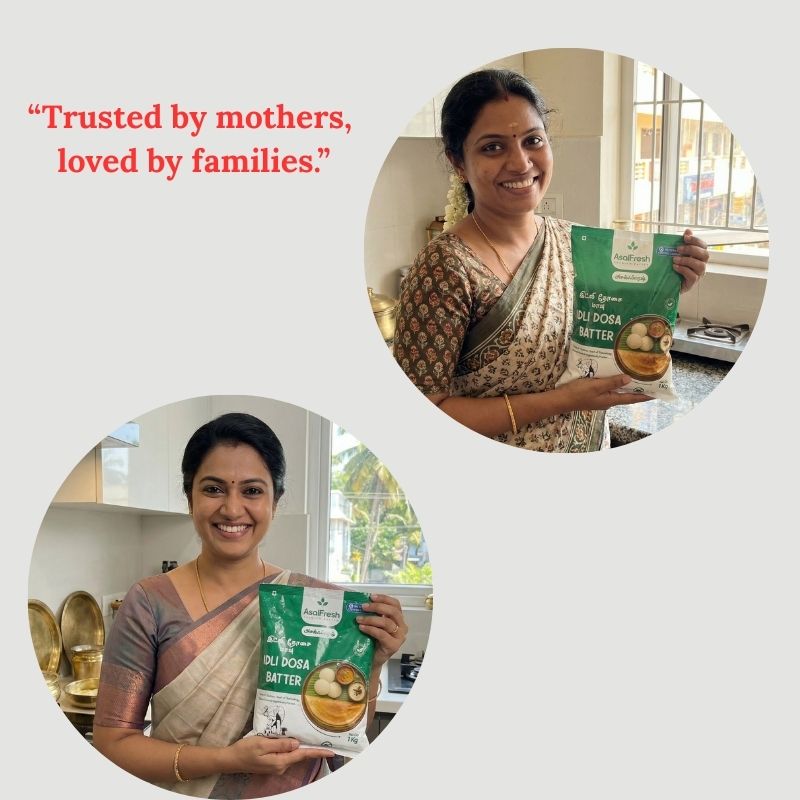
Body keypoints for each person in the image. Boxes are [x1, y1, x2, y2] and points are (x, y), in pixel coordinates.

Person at [392, 68, 709, 452]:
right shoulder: (444, 268)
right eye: (493, 147)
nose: (521, 163)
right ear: (458, 162)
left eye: (533, 140)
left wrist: (667, 286)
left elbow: (610, 329)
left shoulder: (573, 241)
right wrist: (566, 400)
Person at [93, 412, 407, 797]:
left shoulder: (316, 602)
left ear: (276, 501)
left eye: (253, 491)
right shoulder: (149, 603)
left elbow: (340, 732)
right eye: (213, 489)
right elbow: (113, 743)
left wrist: (370, 666)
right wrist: (228, 760)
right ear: (189, 496)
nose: (232, 508)